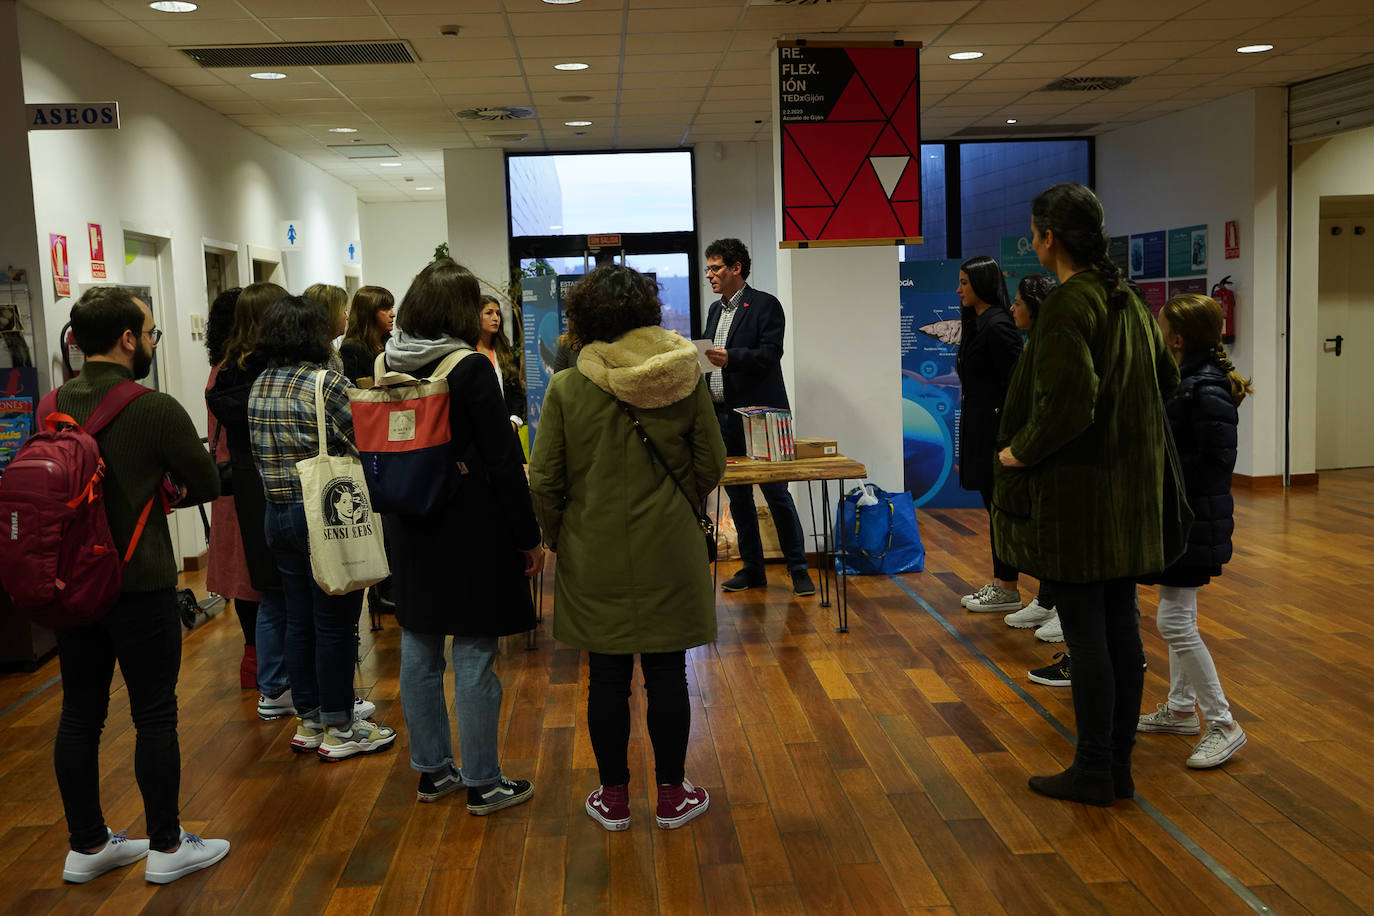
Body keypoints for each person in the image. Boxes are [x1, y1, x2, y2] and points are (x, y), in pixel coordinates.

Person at [994, 182, 1180, 807]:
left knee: (1089, 639)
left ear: (1048, 238)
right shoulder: (1125, 299)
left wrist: (1019, 450)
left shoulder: (1071, 305)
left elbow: (1068, 404)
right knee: (1120, 631)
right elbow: (1167, 377)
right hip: (1130, 501)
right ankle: (1116, 767)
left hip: (1078, 502)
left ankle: (1096, 768)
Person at [529, 264, 726, 831]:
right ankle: (671, 796)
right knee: (668, 673)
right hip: (671, 548)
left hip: (594, 551)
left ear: (584, 319)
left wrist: (559, 535)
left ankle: (613, 796)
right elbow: (711, 465)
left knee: (607, 677)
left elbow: (544, 480)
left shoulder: (568, 386)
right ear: (647, 313)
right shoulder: (683, 377)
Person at [52, 287, 230, 884]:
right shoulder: (151, 407)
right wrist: (164, 491)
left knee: (80, 714)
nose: (153, 342)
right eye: (151, 333)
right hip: (140, 582)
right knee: (155, 713)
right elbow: (205, 480)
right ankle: (166, 847)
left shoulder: (51, 401)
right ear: (128, 339)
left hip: (72, 586)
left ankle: (86, 846)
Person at [380, 258, 542, 810]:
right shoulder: (468, 368)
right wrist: (529, 536)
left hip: (408, 522)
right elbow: (501, 461)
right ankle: (485, 781)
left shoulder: (387, 361)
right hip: (470, 526)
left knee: (418, 647)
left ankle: (433, 772)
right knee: (475, 654)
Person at [247, 294, 396, 761]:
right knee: (334, 623)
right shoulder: (323, 382)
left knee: (299, 619)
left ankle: (310, 719)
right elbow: (362, 441)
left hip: (277, 514)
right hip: (323, 516)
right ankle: (340, 727)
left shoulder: (260, 383)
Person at [1136, 294, 1252, 769]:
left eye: (1161, 329)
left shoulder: (1204, 388)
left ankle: (1224, 723)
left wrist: (1162, 476)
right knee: (1179, 612)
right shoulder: (1186, 382)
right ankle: (1182, 710)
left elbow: (1216, 463)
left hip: (1193, 520)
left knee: (1174, 621)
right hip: (1184, 518)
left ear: (1177, 339)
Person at [701, 237, 814, 596]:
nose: (710, 275)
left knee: (776, 493)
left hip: (761, 418)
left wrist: (730, 357)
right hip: (723, 417)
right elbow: (709, 356)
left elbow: (770, 354)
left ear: (736, 268)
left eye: (716, 268)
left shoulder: (765, 305)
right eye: (708, 269)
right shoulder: (715, 312)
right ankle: (753, 569)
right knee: (738, 497)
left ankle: (799, 569)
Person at [954, 255, 1024, 614]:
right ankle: (1003, 582)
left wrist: (1010, 436)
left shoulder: (997, 325)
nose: (959, 289)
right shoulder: (978, 322)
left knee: (1002, 509)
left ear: (981, 283)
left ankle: (1009, 585)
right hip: (980, 427)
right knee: (993, 508)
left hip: (997, 433)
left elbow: (1015, 385)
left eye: (965, 282)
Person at [203, 287, 261, 689]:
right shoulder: (241, 370)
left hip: (227, 482)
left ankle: (254, 661)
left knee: (243, 578)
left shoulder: (219, 369)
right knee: (254, 577)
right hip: (246, 481)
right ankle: (262, 664)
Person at [476, 294, 528, 431]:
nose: (495, 318)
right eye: (489, 313)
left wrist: (514, 422)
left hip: (506, 430)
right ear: (476, 317)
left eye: (498, 314)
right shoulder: (467, 352)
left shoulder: (504, 351)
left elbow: (517, 394)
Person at [339, 285, 394, 385]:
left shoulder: (391, 343)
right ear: (368, 313)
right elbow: (352, 392)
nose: (392, 314)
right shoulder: (351, 349)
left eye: (392, 308)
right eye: (385, 309)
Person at [303, 282, 348, 375]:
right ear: (331, 315)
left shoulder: (330, 353)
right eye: (344, 311)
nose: (347, 317)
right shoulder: (313, 359)